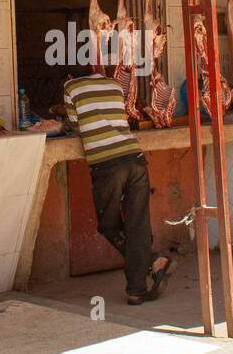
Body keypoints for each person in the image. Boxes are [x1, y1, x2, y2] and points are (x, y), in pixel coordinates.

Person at [63, 68, 175, 305]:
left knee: (109, 225)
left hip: (107, 166)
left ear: (71, 74)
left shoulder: (70, 88)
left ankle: (150, 267)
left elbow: (74, 125)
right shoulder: (114, 84)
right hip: (134, 159)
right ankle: (142, 281)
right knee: (138, 224)